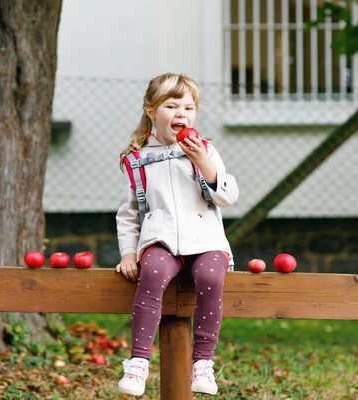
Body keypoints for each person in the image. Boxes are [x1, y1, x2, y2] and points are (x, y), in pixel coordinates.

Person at [115, 72, 239, 396]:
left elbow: (228, 195)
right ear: (151, 110)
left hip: (206, 240)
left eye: (188, 107)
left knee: (211, 278)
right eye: (172, 106)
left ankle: (203, 364)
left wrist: (204, 164)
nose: (181, 114)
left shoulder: (205, 151)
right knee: (152, 273)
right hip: (162, 241)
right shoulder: (137, 159)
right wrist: (129, 253)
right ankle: (139, 363)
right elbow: (128, 216)